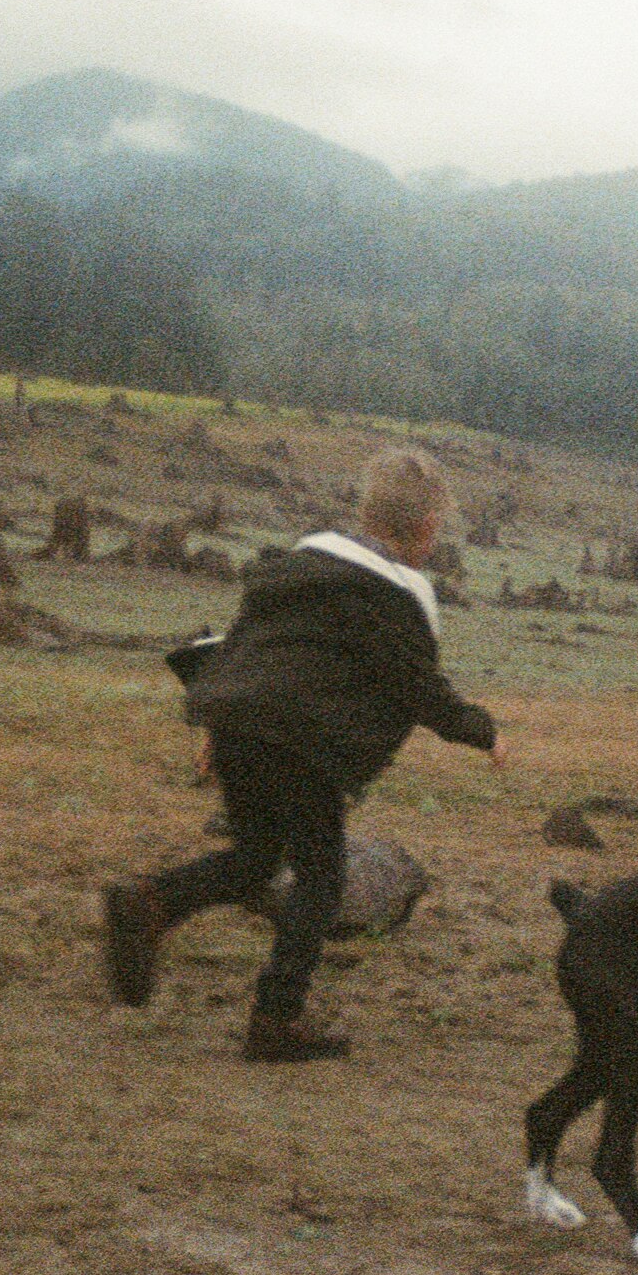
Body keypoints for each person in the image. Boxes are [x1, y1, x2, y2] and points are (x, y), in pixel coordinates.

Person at [101, 444, 500, 1061]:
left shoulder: (297, 561)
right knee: (321, 874)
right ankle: (276, 1018)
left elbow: (246, 647)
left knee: (259, 856)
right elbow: (417, 686)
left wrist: (214, 725)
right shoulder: (402, 594)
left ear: (367, 511)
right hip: (302, 740)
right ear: (426, 529)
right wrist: (481, 730)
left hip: (236, 715)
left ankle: (153, 901)